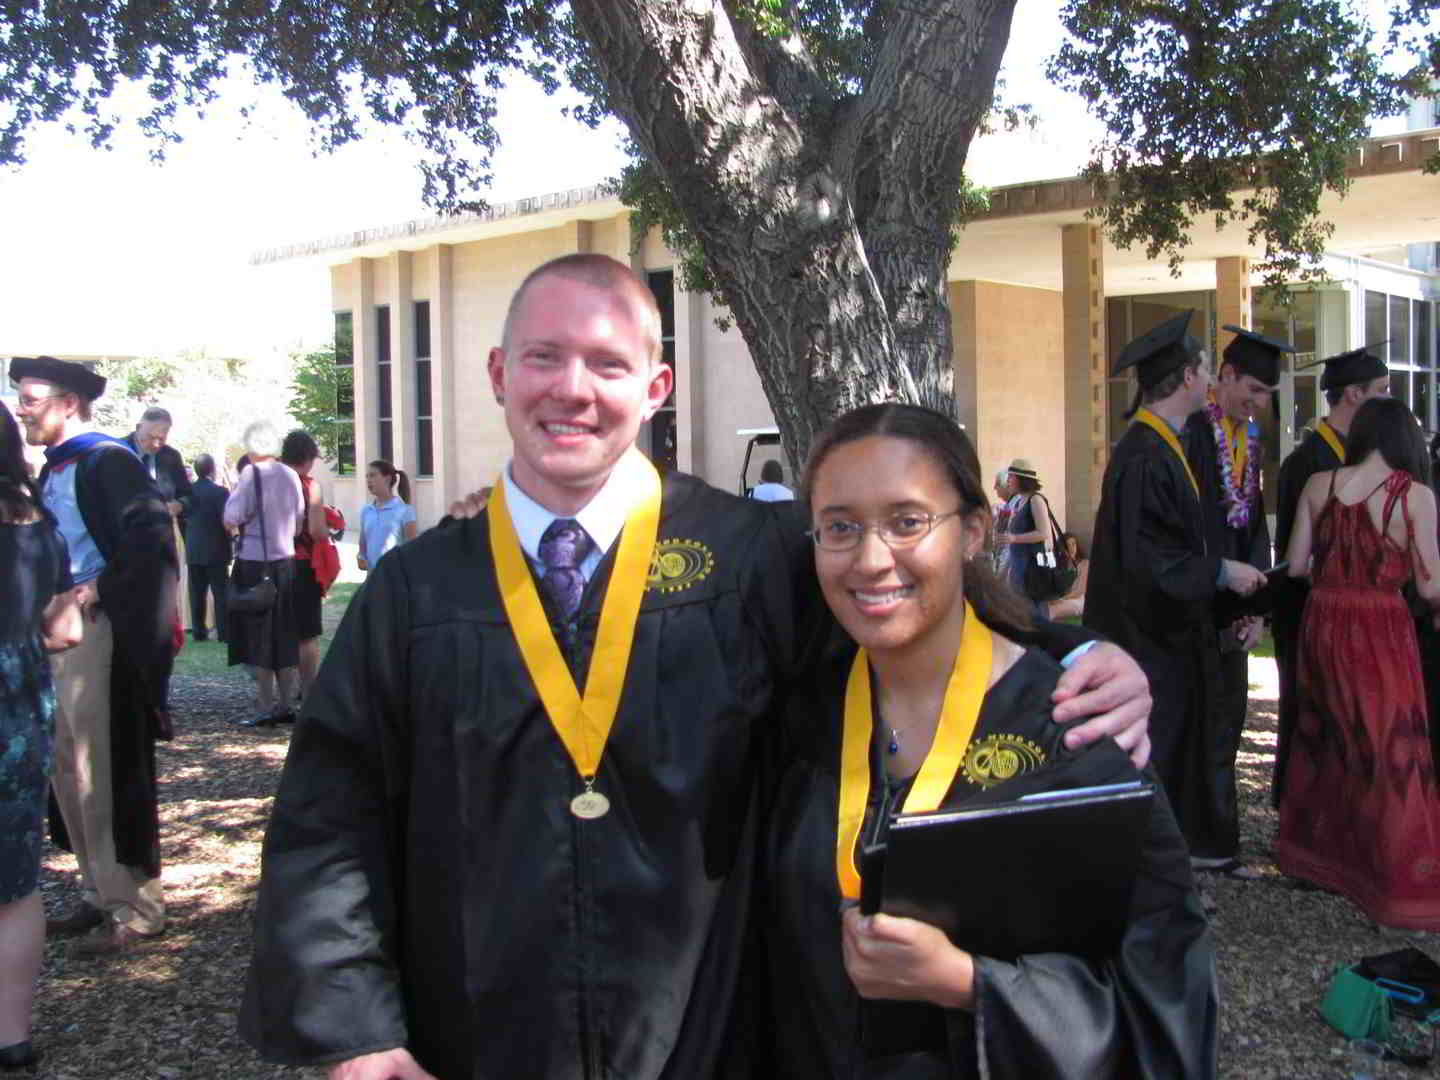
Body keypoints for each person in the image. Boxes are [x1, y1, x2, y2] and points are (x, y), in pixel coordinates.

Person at [239, 254, 1153, 1080]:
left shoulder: (748, 554)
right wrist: (354, 1026)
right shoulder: (415, 594)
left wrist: (1073, 650)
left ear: (657, 387)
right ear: (497, 374)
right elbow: (333, 812)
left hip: (711, 1036)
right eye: (543, 357)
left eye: (607, 364)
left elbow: (909, 614)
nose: (573, 390)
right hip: (476, 1034)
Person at [761, 402, 1217, 1078]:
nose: (871, 558)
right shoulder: (798, 714)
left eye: (908, 521)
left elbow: (1168, 993)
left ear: (974, 531)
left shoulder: (1073, 727)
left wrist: (968, 982)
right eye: (840, 527)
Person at [9, 356, 177, 957]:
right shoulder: (57, 467)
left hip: (99, 632)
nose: (21, 408)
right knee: (66, 771)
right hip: (56, 632)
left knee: (97, 768)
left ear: (69, 402)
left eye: (29, 398)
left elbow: (152, 539)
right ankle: (96, 889)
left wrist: (96, 590)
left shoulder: (109, 462)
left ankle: (135, 908)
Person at [1085, 313, 1265, 863]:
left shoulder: (1164, 445)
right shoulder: (1145, 454)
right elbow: (1148, 558)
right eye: (1206, 369)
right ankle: (1144, 875)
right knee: (1153, 752)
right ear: (1187, 376)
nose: (1211, 379)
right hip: (1145, 640)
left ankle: (1168, 866)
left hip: (1164, 638)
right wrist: (1218, 572)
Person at [1278, 397, 1440, 928]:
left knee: (1328, 737)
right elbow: (1429, 584)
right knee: (1389, 743)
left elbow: (1297, 566)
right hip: (1380, 628)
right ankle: (1394, 877)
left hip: (1323, 620)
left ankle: (1323, 861)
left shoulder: (1318, 485)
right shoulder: (1414, 495)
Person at [1181, 325, 1291, 877]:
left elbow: (1252, 529)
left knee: (1229, 718)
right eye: (1252, 388)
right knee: (1192, 724)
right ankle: (1189, 843)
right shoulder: (1190, 435)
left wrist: (1258, 607)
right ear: (1223, 377)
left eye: (1267, 395)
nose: (1259, 401)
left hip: (1233, 599)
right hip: (1193, 598)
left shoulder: (1253, 440)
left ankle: (1221, 843)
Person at [1271, 343, 1391, 806]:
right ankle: (1298, 814)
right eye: (1382, 390)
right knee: (1307, 717)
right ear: (1354, 395)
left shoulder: (1361, 458)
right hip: (1307, 610)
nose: (1389, 399)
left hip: (1347, 613)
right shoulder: (1308, 462)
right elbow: (1295, 553)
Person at [0, 401, 81, 1069]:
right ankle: (12, 1034)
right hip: (18, 712)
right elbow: (67, 632)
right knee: (17, 882)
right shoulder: (39, 528)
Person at [224, 421, 304, 728]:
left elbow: (232, 515)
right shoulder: (291, 475)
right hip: (286, 563)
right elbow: (298, 524)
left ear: (250, 447)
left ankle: (263, 705)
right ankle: (285, 703)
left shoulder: (250, 474)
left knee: (258, 637)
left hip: (255, 564)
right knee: (284, 634)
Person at [279, 430, 331, 703]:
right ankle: (309, 691)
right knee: (307, 634)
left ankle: (280, 698)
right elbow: (317, 529)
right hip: (301, 563)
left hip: (269, 562)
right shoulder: (310, 486)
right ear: (308, 457)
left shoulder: (269, 481)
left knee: (279, 630)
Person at [181, 453, 231, 642]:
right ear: (212, 469)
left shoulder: (187, 493)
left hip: (194, 547)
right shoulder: (220, 492)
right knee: (220, 592)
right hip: (216, 548)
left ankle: (199, 632)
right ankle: (224, 632)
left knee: (196, 592)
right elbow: (226, 519)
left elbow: (182, 519)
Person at [992, 459, 1049, 603]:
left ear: (1021, 479)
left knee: (1032, 613)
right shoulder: (1019, 502)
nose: (1008, 481)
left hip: (1031, 568)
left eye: (1011, 477)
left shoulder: (1035, 500)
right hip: (1017, 567)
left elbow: (1044, 533)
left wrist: (1014, 538)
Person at [357, 458, 417, 572]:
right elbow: (362, 547)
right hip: (372, 581)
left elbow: (412, 550)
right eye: (367, 476)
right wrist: (360, 557)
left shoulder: (405, 511)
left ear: (387, 479)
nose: (368, 480)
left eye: (373, 475)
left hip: (396, 581)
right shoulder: (366, 511)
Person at [1044, 532, 1089, 620]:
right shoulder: (1059, 566)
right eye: (1067, 545)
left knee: (1051, 609)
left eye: (1073, 544)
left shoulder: (1085, 564)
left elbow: (1080, 591)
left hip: (1079, 600)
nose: (1071, 548)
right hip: (1062, 599)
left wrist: (1061, 599)